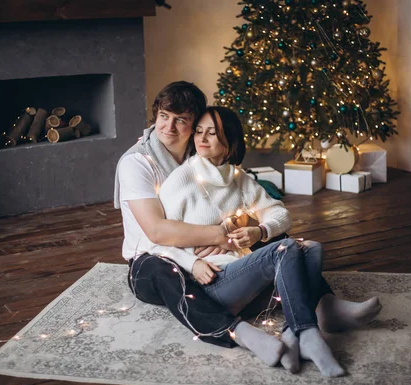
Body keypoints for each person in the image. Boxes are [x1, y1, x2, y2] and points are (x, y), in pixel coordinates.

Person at [150, 106, 383, 377]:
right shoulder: (181, 180)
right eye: (199, 132)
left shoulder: (237, 178)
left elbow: (281, 214)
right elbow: (156, 242)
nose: (202, 138)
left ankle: (306, 323)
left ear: (229, 142)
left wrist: (259, 231)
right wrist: (193, 262)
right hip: (212, 285)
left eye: (212, 133)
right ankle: (308, 331)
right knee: (284, 249)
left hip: (244, 280)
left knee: (311, 249)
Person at [114, 82, 288, 368]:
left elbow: (235, 201)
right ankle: (237, 331)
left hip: (210, 251)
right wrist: (217, 236)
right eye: (164, 116)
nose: (169, 127)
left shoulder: (200, 153)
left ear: (194, 125)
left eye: (181, 120)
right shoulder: (136, 163)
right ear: (155, 115)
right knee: (163, 271)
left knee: (277, 240)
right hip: (153, 258)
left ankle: (322, 304)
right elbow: (156, 232)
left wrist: (241, 227)